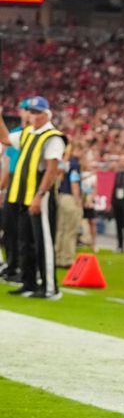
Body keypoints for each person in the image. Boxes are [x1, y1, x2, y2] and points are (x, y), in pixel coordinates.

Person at [0, 96, 67, 300]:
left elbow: (52, 170)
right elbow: (5, 139)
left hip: (40, 197)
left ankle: (50, 288)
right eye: (31, 112)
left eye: (38, 112)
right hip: (22, 196)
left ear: (47, 114)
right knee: (25, 242)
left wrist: (40, 195)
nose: (33, 116)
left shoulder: (53, 137)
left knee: (43, 243)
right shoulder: (28, 133)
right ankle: (28, 283)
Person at [0, 99, 31, 282]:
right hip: (14, 183)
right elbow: (8, 165)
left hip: (28, 183)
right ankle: (12, 266)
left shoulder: (36, 134)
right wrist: (2, 188)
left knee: (23, 231)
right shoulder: (16, 134)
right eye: (26, 110)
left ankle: (23, 268)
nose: (28, 114)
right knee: (10, 229)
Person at [55, 142, 83, 268]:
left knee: (61, 229)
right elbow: (74, 183)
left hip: (61, 196)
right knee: (70, 230)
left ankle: (58, 256)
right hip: (70, 197)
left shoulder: (64, 162)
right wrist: (78, 200)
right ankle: (68, 258)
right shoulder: (74, 164)